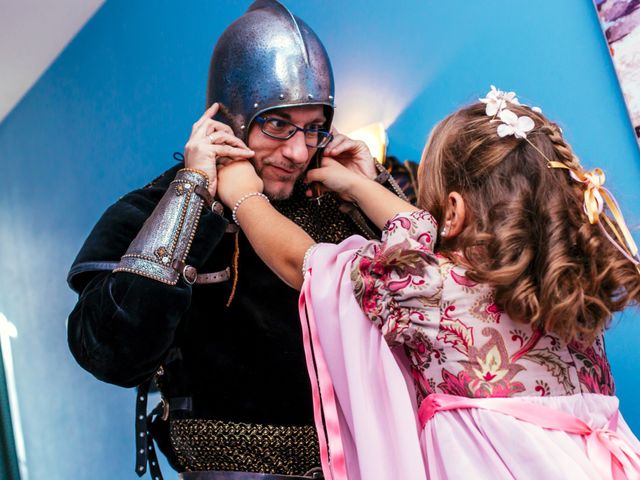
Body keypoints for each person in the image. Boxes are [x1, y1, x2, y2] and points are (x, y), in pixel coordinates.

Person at [216, 86, 640, 479]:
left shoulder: (431, 290)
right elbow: (416, 224)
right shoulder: (571, 289)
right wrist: (361, 185)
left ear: (452, 212)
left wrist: (242, 197)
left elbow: (305, 265)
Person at [66, 1, 407, 479]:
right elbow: (109, 352)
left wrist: (371, 191)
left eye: (312, 128)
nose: (296, 151)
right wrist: (191, 197)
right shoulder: (151, 208)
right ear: (229, 117)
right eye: (278, 124)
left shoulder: (337, 193)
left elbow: (440, 309)